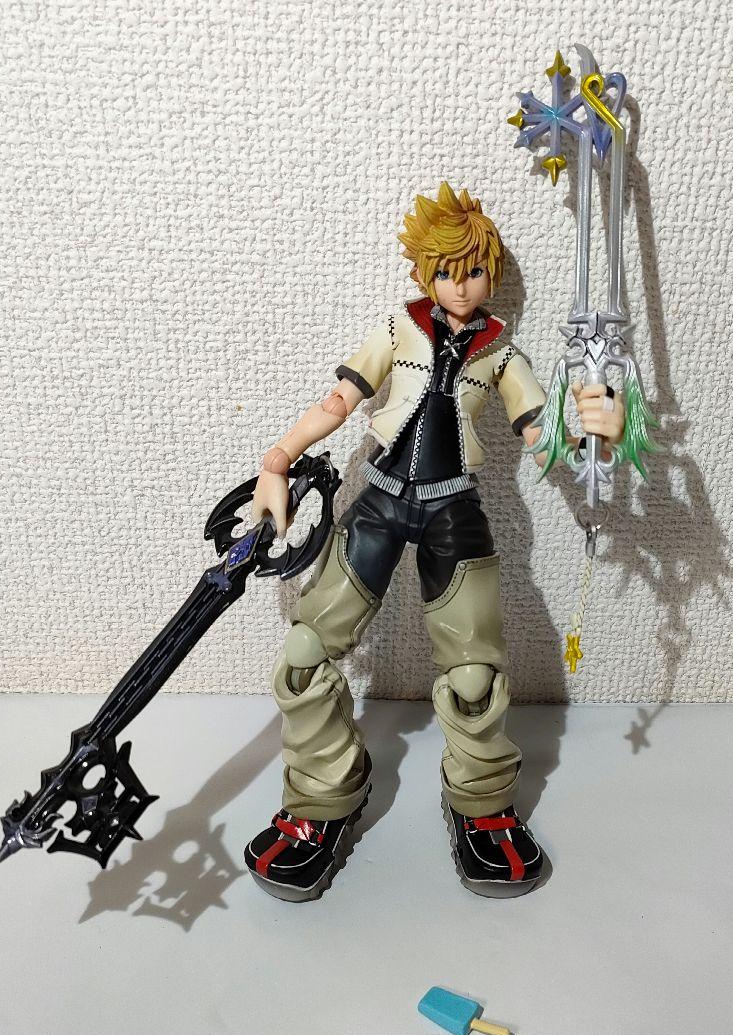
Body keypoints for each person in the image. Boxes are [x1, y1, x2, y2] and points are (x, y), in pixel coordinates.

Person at [244, 182, 625, 901]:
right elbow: (338, 401)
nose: (460, 284)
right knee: (303, 654)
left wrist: (591, 432)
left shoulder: (501, 354)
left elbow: (540, 436)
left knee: (475, 675)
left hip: (454, 510)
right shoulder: (397, 330)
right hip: (380, 503)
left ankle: (482, 803)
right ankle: (323, 793)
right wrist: (277, 460)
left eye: (473, 270)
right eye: (446, 270)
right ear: (425, 272)